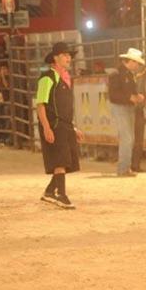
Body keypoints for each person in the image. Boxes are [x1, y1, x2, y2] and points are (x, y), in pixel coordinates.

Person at [36, 42, 83, 209]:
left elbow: (64, 107)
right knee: (61, 161)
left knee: (66, 160)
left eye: (69, 55)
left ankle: (50, 191)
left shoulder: (65, 78)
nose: (69, 58)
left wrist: (73, 127)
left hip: (65, 125)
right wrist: (46, 128)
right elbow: (40, 105)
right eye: (65, 55)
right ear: (55, 58)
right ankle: (61, 195)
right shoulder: (47, 78)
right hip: (54, 125)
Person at [107, 47, 145, 176]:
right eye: (137, 63)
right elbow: (113, 95)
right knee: (127, 138)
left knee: (129, 138)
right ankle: (123, 169)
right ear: (131, 61)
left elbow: (124, 92)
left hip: (127, 107)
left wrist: (136, 96)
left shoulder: (127, 74)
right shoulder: (116, 74)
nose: (138, 65)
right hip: (120, 108)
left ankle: (125, 167)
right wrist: (131, 97)